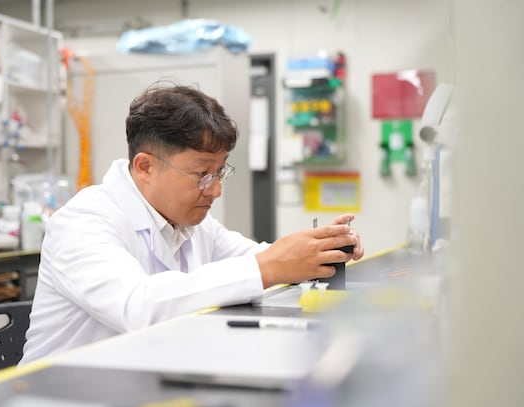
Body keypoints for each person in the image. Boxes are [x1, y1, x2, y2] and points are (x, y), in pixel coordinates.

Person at [20, 83, 364, 364]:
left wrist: (319, 252)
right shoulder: (83, 221)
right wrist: (269, 266)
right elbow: (138, 307)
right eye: (202, 174)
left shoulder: (191, 222)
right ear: (145, 167)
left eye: (220, 172)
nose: (215, 190)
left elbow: (259, 258)